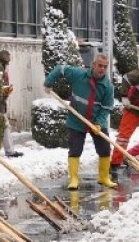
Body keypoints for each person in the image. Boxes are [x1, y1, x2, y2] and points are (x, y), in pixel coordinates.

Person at [45, 53, 116, 190]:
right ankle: (74, 179)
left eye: (105, 67)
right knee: (75, 150)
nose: (102, 69)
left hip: (96, 122)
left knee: (105, 149)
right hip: (76, 120)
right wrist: (48, 82)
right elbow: (60, 69)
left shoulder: (108, 87)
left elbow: (106, 108)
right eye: (99, 65)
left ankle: (104, 177)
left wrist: (99, 123)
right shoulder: (78, 74)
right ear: (93, 64)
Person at [0, 50, 22, 158]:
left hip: (0, 103)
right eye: (7, 62)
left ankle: (9, 151)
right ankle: (10, 151)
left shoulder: (0, 68)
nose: (8, 64)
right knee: (5, 126)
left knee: (4, 126)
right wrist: (4, 90)